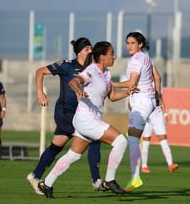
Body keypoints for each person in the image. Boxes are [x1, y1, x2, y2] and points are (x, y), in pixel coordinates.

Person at [38, 41, 137, 198]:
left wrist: (128, 92)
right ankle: (109, 180)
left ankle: (46, 184)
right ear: (102, 57)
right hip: (86, 120)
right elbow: (74, 81)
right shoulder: (91, 70)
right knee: (121, 141)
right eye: (112, 53)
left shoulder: (107, 74)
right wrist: (78, 88)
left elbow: (112, 96)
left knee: (74, 155)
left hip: (87, 120)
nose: (115, 56)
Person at [26, 37, 104, 195]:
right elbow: (40, 71)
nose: (91, 51)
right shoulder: (67, 65)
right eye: (88, 48)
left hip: (81, 113)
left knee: (56, 146)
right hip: (65, 112)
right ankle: (96, 180)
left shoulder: (93, 68)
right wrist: (40, 93)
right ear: (80, 51)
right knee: (94, 137)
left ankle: (35, 176)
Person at [112, 31, 157, 192]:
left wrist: (110, 84)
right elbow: (156, 77)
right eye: (127, 43)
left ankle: (135, 177)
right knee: (133, 137)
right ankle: (135, 176)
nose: (129, 46)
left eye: (132, 43)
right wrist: (156, 99)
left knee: (131, 139)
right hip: (147, 101)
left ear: (140, 44)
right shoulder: (147, 58)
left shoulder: (137, 59)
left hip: (142, 103)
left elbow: (131, 82)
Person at [140, 65, 178, 173]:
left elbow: (160, 98)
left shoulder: (157, 84)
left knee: (163, 138)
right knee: (146, 139)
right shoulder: (142, 84)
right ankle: (144, 165)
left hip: (157, 113)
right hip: (147, 113)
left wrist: (165, 113)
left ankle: (170, 164)